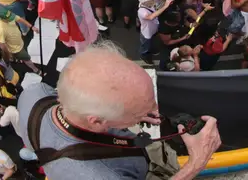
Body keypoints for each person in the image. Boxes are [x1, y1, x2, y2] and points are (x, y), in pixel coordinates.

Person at [16, 41, 221, 179]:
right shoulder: (95, 175)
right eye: (136, 114)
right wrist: (196, 163)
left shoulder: (34, 93)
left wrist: (134, 109)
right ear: (97, 121)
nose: (153, 110)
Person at [0, 8, 41, 74]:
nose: (12, 19)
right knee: (27, 58)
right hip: (16, 49)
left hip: (19, 42)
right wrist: (8, 54)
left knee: (17, 56)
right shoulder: (0, 29)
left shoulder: (9, 16)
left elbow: (19, 19)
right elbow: (1, 44)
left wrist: (31, 27)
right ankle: (36, 70)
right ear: (2, 19)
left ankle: (14, 58)